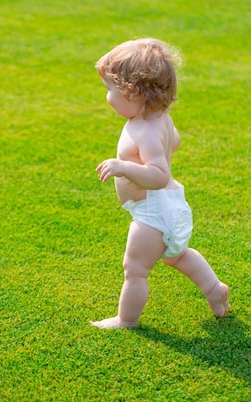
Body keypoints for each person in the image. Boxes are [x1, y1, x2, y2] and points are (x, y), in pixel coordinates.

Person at [90, 38, 230, 329]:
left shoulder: (144, 130)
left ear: (134, 91)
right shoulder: (160, 118)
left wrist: (124, 167)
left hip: (152, 212)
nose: (107, 98)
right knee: (177, 255)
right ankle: (214, 289)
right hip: (171, 204)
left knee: (135, 269)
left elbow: (158, 175)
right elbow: (174, 142)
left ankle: (126, 320)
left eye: (110, 90)